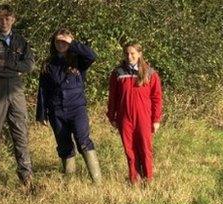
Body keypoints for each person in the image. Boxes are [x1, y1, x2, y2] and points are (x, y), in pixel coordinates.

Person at [35, 28, 102, 183]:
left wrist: (73, 43)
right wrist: (41, 114)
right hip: (56, 110)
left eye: (64, 41)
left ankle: (98, 182)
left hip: (77, 108)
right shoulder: (48, 63)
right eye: (58, 41)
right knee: (64, 145)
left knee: (83, 141)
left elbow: (92, 55)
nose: (61, 44)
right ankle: (70, 183)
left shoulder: (79, 60)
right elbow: (43, 89)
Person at [0, 4, 35, 187]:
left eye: (7, 18)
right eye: (0, 18)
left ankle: (26, 175)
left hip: (16, 90)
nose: (3, 22)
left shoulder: (20, 41)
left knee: (20, 131)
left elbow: (29, 66)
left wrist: (5, 65)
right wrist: (14, 67)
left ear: (13, 19)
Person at [106, 41, 163, 184]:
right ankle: (134, 180)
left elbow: (157, 98)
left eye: (132, 53)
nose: (129, 56)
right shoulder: (118, 72)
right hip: (125, 118)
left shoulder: (150, 73)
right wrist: (111, 115)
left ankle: (148, 179)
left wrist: (156, 119)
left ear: (139, 54)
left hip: (144, 117)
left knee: (145, 148)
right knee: (130, 150)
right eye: (126, 53)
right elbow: (113, 96)